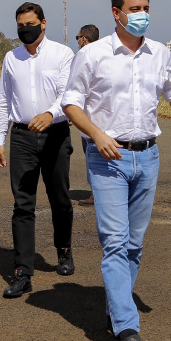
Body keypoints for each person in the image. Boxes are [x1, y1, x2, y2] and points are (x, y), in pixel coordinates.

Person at [62, 0, 171, 341]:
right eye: (135, 7)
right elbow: (71, 104)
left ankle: (115, 307)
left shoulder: (158, 54)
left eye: (146, 7)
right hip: (108, 158)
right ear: (116, 13)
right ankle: (125, 326)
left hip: (148, 157)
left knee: (135, 244)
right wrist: (96, 134)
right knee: (116, 242)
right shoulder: (92, 55)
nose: (142, 13)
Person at [0, 2, 76, 298]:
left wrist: (51, 114)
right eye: (20, 26)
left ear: (43, 23)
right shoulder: (11, 58)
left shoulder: (63, 54)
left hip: (55, 134)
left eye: (30, 24)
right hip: (22, 137)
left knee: (60, 199)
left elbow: (69, 94)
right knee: (23, 204)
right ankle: (22, 272)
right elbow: (4, 100)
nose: (24, 30)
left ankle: (63, 250)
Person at [75, 24, 100, 207]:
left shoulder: (83, 56)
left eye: (78, 37)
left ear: (84, 38)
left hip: (88, 118)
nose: (77, 41)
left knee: (92, 156)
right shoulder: (106, 54)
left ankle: (96, 193)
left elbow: (77, 89)